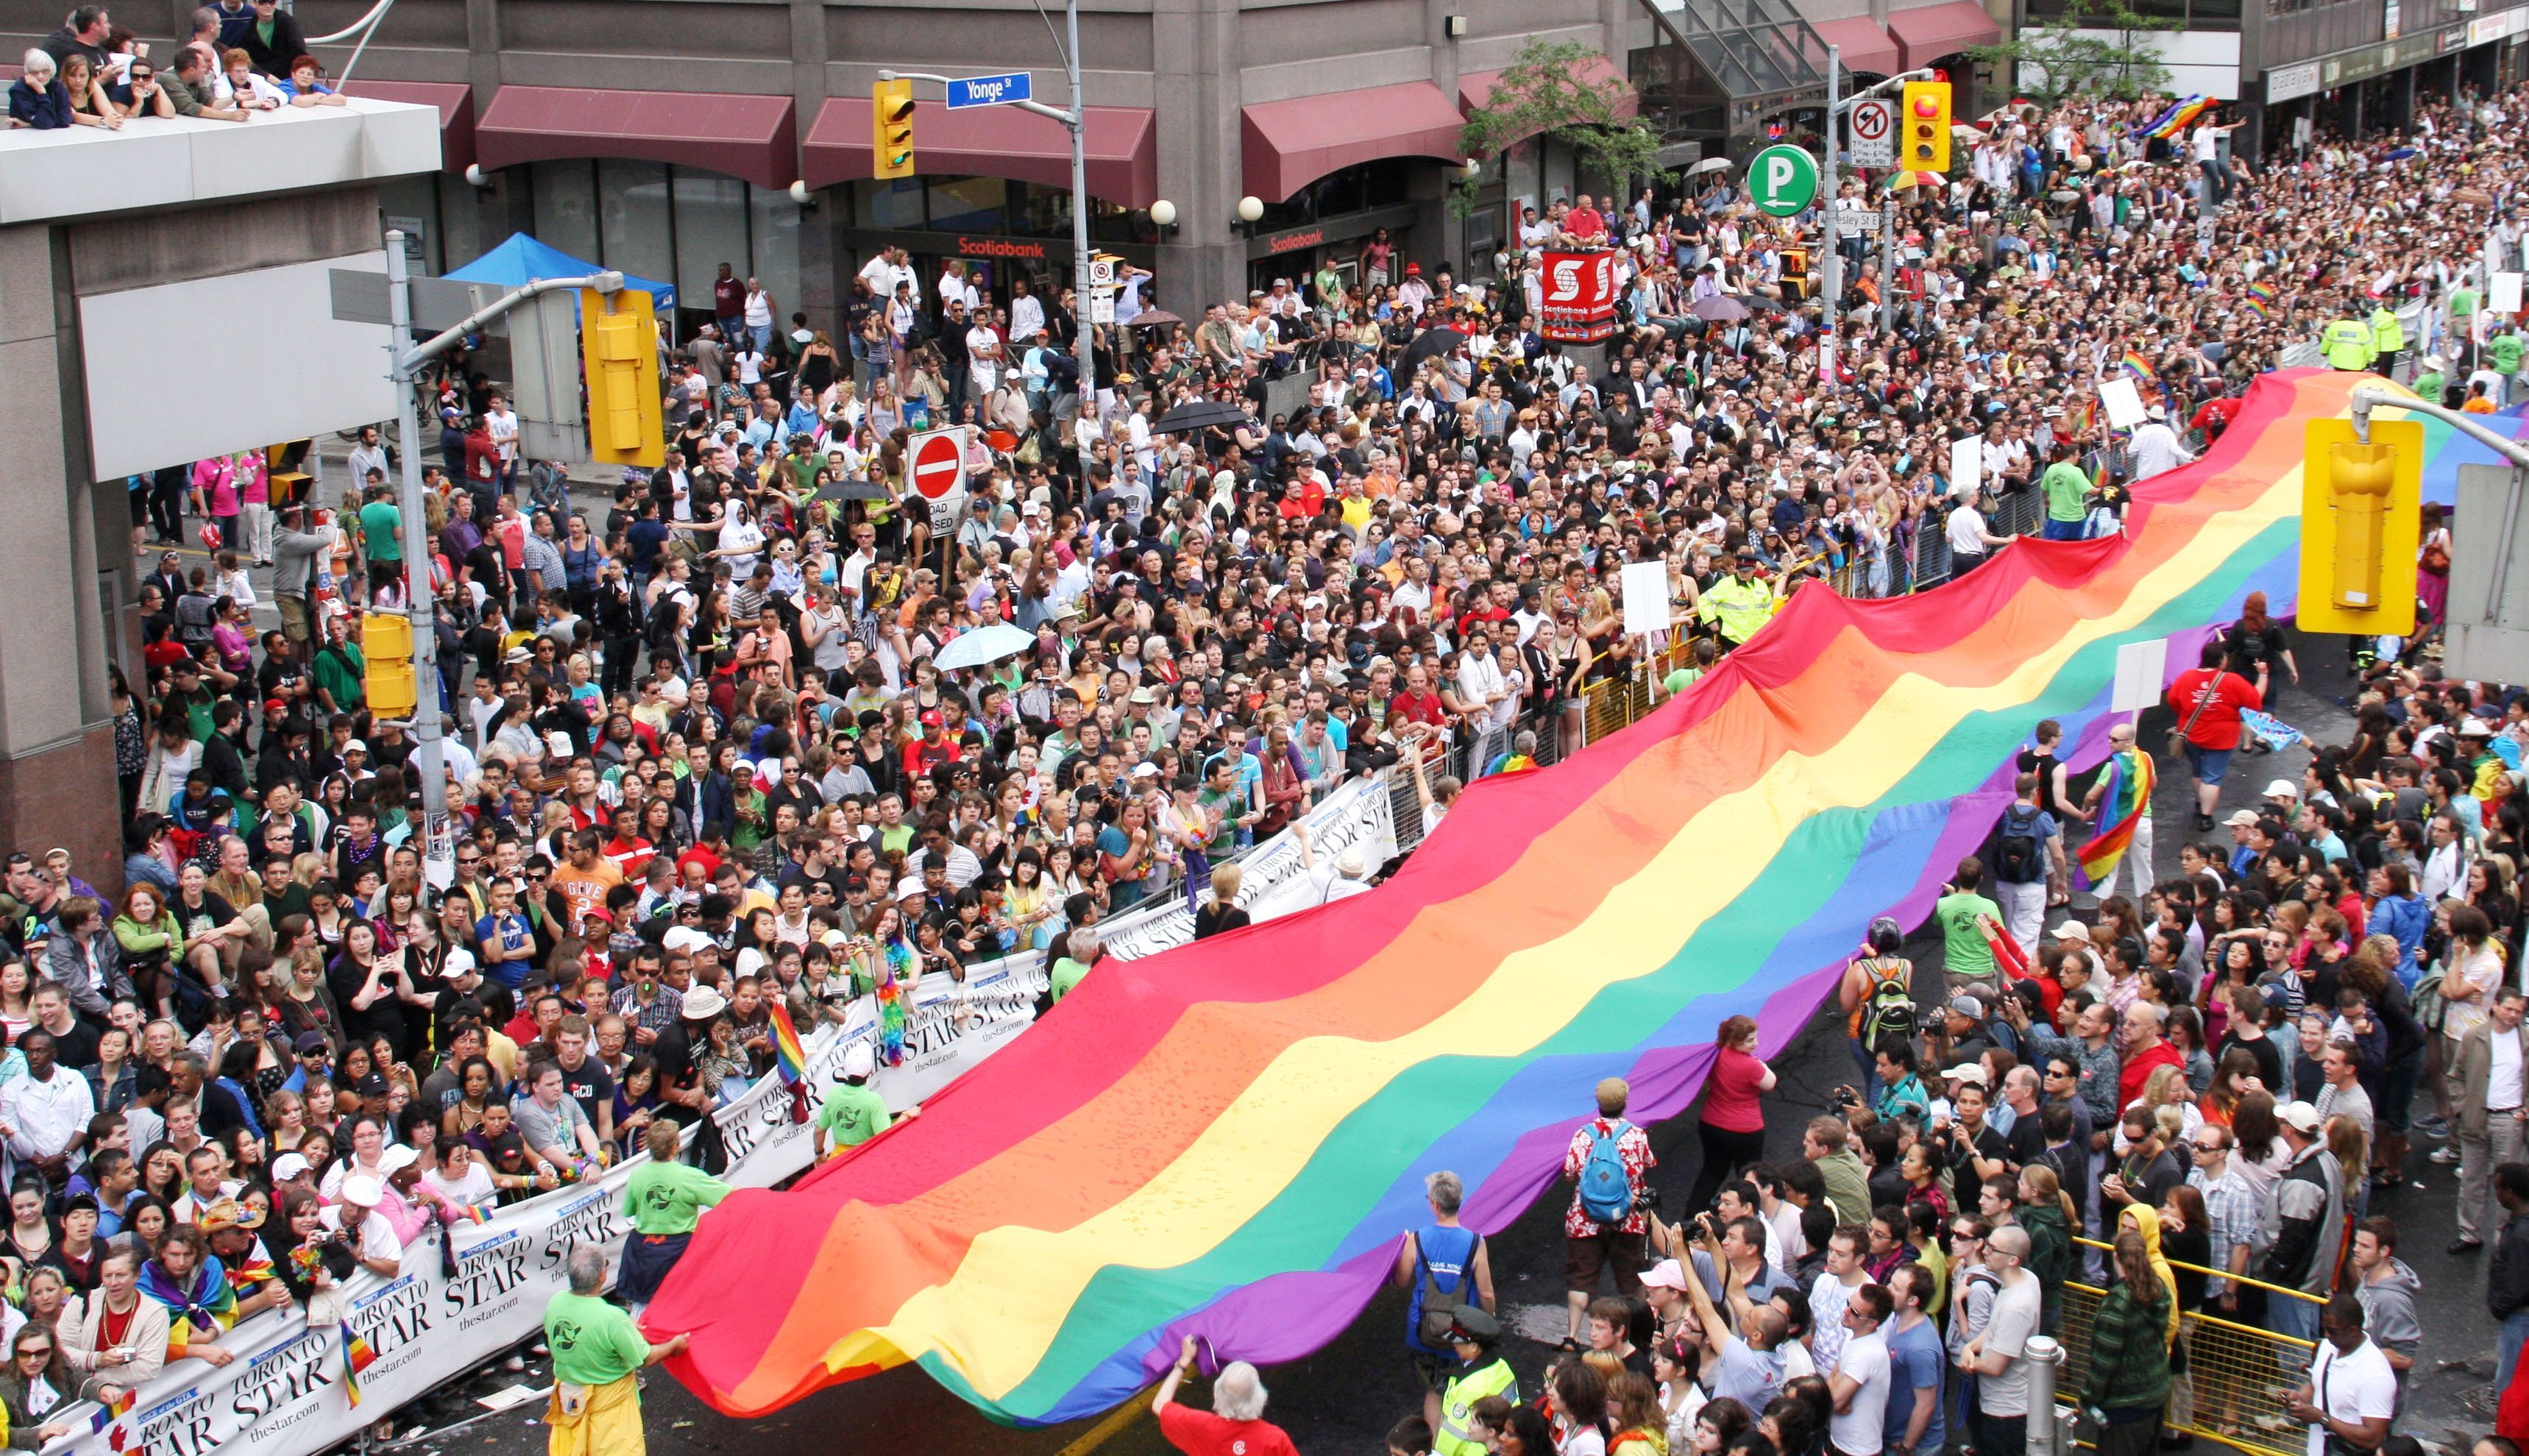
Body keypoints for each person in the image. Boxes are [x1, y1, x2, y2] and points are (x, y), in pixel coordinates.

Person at [544, 1244, 690, 1456]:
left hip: (570, 1405)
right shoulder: (613, 1320)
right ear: (602, 1275)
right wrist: (675, 1345)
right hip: (610, 1416)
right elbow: (646, 1358)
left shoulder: (557, 1302)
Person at [1394, 1169, 1494, 1430]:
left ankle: (1436, 1448)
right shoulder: (1475, 1242)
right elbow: (1486, 1292)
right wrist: (1489, 1321)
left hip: (1423, 1330)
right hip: (1461, 1332)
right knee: (1463, 1389)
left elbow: (1402, 1281)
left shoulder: (1416, 1239)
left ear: (1435, 1204)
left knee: (1433, 1392)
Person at [1561, 1077, 1653, 1349]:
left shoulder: (1582, 1134)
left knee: (1581, 1279)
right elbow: (1646, 1164)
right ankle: (1638, 1336)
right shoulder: (1637, 1134)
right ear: (1625, 1103)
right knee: (1632, 1280)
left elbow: (1569, 1173)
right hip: (1627, 1218)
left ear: (1598, 1104)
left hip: (1585, 1221)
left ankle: (1572, 1336)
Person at [615, 1120, 729, 1318]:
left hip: (642, 1252)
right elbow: (730, 1197)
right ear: (676, 1146)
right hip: (678, 1252)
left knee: (641, 1313)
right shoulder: (688, 1176)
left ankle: (639, 1348)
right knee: (681, 1310)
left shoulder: (637, 1175)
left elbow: (629, 1211)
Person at [2083, 1227, 2172, 1456]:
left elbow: (2103, 1363)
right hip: (2156, 1394)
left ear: (2116, 1257)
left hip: (2126, 1408)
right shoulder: (2160, 1289)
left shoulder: (2117, 1306)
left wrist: (2087, 1397)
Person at [2455, 987, 2529, 1255]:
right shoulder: (2474, 1037)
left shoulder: (2526, 1040)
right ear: (2495, 1006)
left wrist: (2526, 1111)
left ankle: (2504, 1238)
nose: (2513, 1015)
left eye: (2518, 1012)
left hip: (2510, 1119)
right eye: (2508, 1009)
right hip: (2476, 1117)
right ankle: (2469, 1233)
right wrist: (2461, 1108)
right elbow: (2456, 1075)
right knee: (2472, 1179)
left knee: (2508, 1183)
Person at [2164, 639, 2264, 833]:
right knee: (2212, 777)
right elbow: (2255, 704)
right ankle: (2206, 817)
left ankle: (2199, 804)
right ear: (2222, 661)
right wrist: (2263, 675)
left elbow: (2174, 702)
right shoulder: (2232, 681)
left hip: (2191, 734)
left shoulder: (2185, 678)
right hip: (2221, 739)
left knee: (2198, 772)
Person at [1959, 1224, 2040, 1456]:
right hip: (2006, 1405)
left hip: (2006, 1412)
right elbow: (1994, 1327)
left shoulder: (2017, 1307)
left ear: (2012, 1260)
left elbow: (1995, 1366)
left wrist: (1969, 1360)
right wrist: (1972, 1346)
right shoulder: (2025, 1279)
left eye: (1993, 1249)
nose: (1984, 1251)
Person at [1151, 1334, 1300, 1456]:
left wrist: (1184, 1362)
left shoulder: (1201, 1426)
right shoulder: (1275, 1440)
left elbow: (1160, 1405)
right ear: (1260, 1397)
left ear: (1217, 1394)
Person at [2284, 1294, 2394, 1455]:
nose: (2327, 1335)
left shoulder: (2376, 1375)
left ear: (2352, 1330)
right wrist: (2299, 1399)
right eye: (2324, 1328)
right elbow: (2317, 1384)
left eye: (2332, 1331)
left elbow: (2373, 1437)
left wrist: (2323, 1418)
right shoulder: (2326, 1347)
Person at [1431, 1307, 1517, 1456]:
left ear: (1474, 1347)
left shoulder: (1471, 1388)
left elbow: (1453, 1437)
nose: (1454, 1345)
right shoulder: (1502, 1367)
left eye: (1459, 1342)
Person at [1823, 1282, 1893, 1456]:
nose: (1846, 1312)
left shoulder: (1867, 1353)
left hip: (1857, 1449)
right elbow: (1833, 1376)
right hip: (1838, 1440)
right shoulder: (1852, 1335)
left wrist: (1835, 1399)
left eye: (1855, 1313)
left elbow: (1833, 1402)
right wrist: (1835, 1395)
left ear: (1872, 1323)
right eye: (1849, 1304)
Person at [2492, 1162, 2529, 1393]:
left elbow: (2518, 1284)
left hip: (2520, 1317)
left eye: (2497, 1188)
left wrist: (2499, 1307)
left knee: (2509, 1385)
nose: (2495, 1194)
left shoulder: (2521, 1235)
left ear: (2510, 1193)